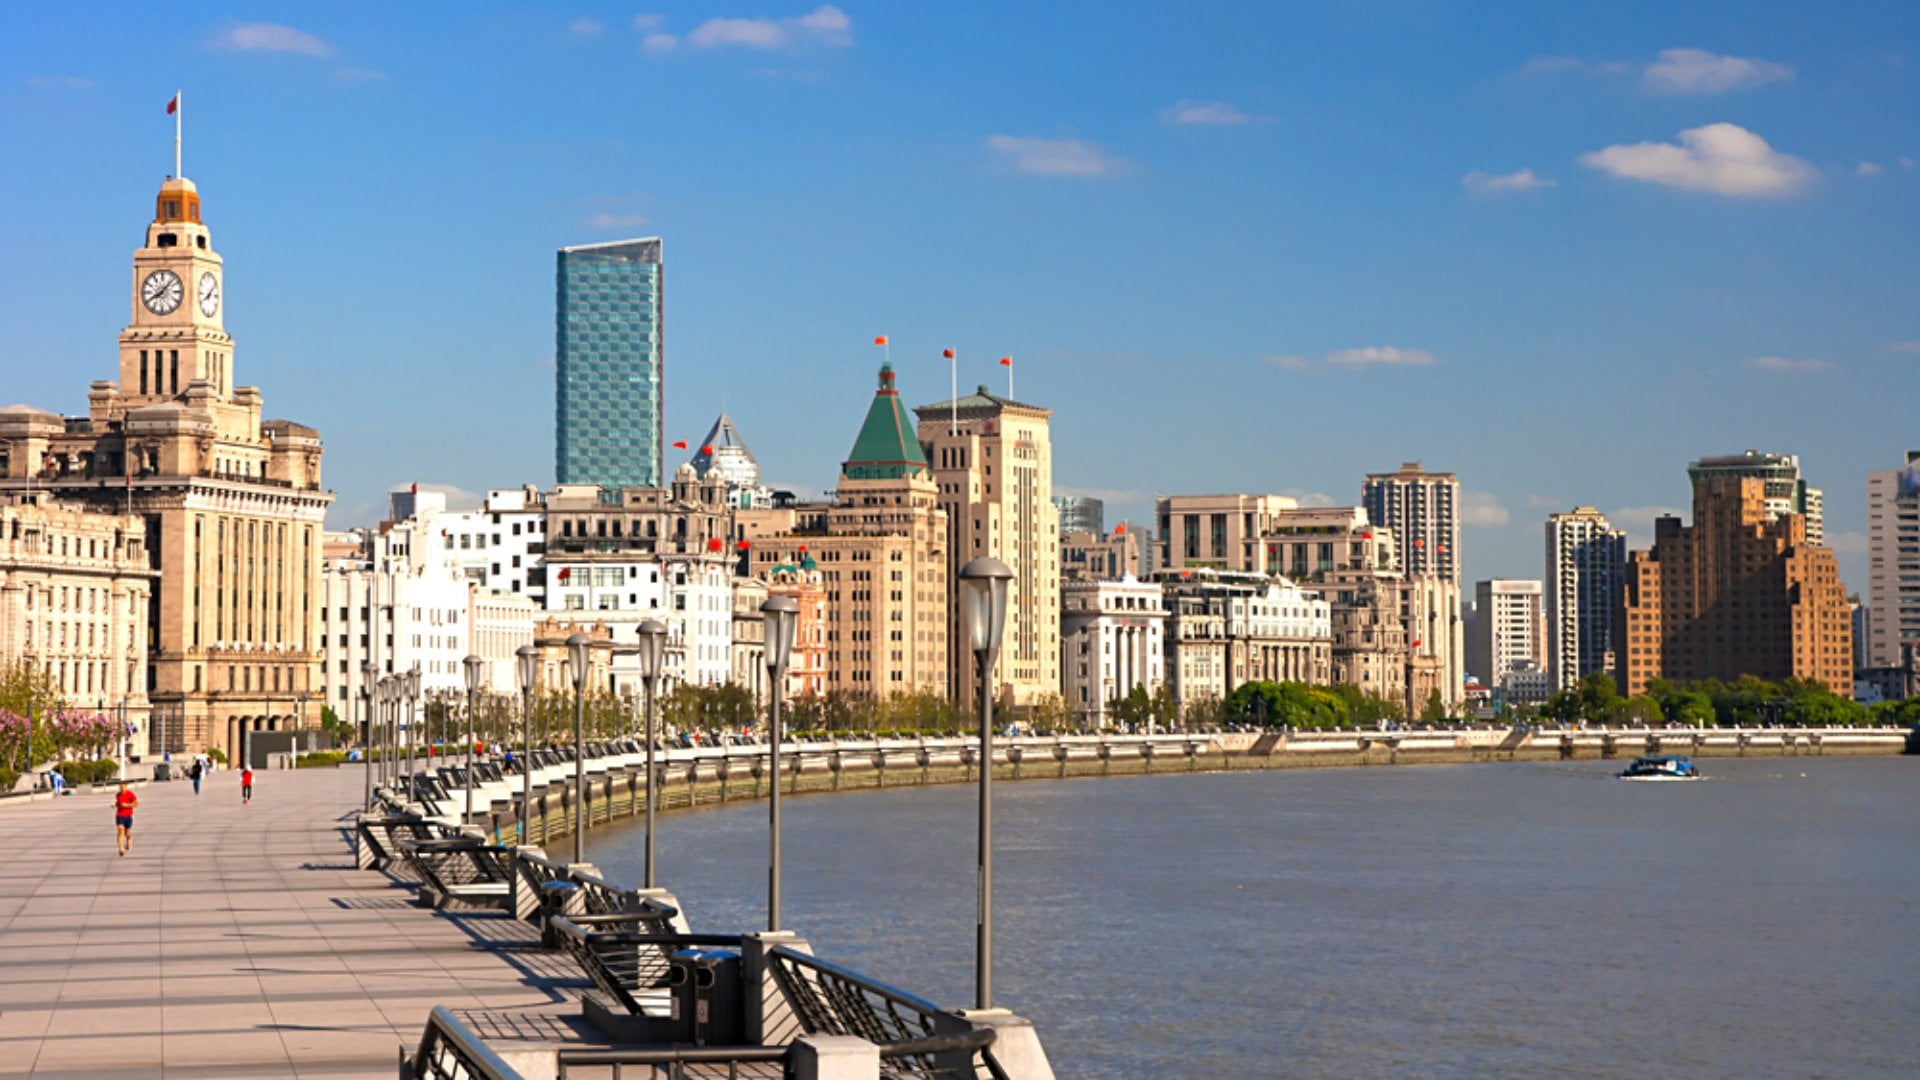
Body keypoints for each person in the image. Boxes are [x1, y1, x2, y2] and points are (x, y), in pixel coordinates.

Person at [114, 781, 138, 856]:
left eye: (122, 786)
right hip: (119, 815)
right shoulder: (118, 795)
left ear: (126, 786)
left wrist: (127, 805)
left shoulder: (130, 794)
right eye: (120, 787)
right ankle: (121, 848)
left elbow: (136, 804)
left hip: (128, 815)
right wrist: (115, 805)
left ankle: (128, 840)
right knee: (120, 829)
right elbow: (118, 803)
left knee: (127, 833)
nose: (121, 788)